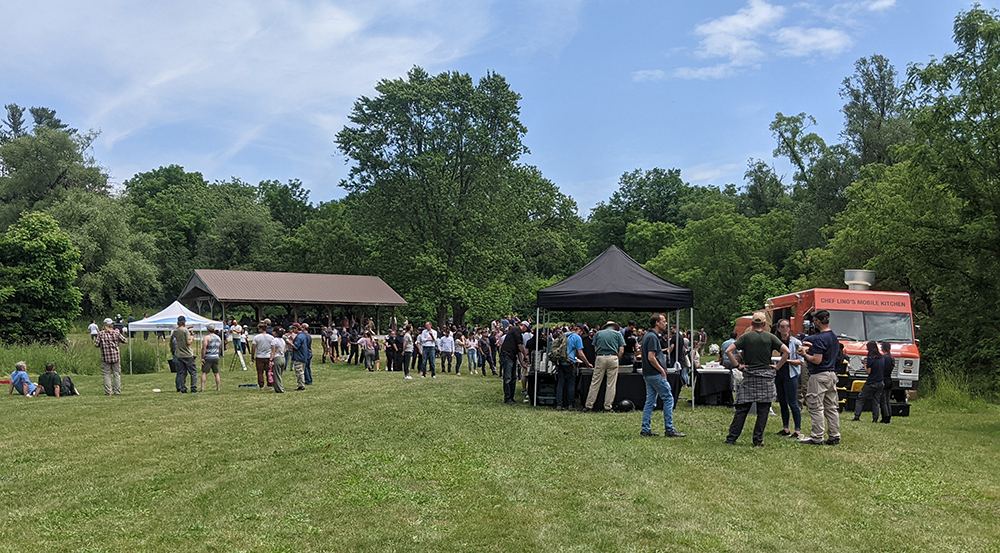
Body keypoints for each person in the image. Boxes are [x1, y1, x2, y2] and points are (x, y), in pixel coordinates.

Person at [724, 312, 789, 447]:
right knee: (763, 411)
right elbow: (787, 352)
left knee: (742, 410)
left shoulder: (746, 337)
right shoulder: (770, 337)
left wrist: (737, 365)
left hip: (750, 376)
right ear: (764, 324)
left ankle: (732, 438)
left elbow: (728, 351)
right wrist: (777, 367)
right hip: (766, 377)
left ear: (752, 323)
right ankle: (758, 440)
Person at [798, 309, 842, 445]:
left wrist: (805, 355)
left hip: (819, 375)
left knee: (815, 406)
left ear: (817, 321)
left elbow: (817, 360)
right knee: (831, 407)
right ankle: (834, 435)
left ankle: (817, 436)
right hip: (831, 374)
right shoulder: (833, 337)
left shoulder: (819, 339)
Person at [640, 314, 686, 438]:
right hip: (655, 374)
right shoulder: (652, 337)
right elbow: (651, 357)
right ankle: (669, 429)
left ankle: (645, 429)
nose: (666, 324)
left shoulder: (648, 336)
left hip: (648, 374)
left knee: (650, 401)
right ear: (657, 323)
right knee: (668, 399)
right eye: (664, 321)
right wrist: (661, 370)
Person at [585, 321, 626, 413]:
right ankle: (607, 407)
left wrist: (598, 356)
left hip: (600, 357)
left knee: (595, 383)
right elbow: (622, 350)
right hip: (613, 357)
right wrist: (617, 358)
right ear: (614, 327)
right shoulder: (618, 334)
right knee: (611, 384)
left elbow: (595, 348)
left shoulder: (598, 333)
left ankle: (589, 405)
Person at [773, 319, 804, 438]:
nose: (785, 328)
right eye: (782, 326)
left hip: (791, 374)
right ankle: (786, 428)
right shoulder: (775, 342)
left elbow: (801, 361)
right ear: (778, 328)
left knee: (793, 402)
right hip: (778, 374)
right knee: (782, 401)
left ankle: (797, 430)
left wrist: (786, 360)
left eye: (787, 326)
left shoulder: (796, 343)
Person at [557, 324, 591, 411]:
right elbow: (580, 353)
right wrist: (587, 363)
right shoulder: (577, 338)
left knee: (560, 383)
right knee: (571, 383)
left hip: (560, 361)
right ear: (580, 330)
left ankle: (559, 404)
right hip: (570, 362)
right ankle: (571, 404)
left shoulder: (564, 335)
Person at [854, 341, 886, 422]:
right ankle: (875, 418)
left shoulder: (871, 359)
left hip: (871, 382)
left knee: (861, 398)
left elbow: (868, 372)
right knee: (876, 401)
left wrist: (865, 364)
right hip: (880, 382)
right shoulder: (882, 358)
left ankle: (857, 416)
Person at [95, 317, 127, 395]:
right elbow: (125, 341)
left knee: (106, 375)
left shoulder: (101, 334)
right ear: (111, 325)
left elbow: (96, 345)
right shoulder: (116, 333)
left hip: (105, 357)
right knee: (116, 374)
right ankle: (117, 391)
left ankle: (108, 392)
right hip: (116, 357)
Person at [500, 321, 528, 404]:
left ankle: (511, 397)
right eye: (526, 329)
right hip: (507, 354)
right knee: (508, 378)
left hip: (512, 356)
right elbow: (520, 346)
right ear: (523, 326)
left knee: (513, 378)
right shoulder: (516, 330)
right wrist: (525, 355)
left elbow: (518, 351)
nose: (526, 331)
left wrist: (522, 363)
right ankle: (507, 398)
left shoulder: (518, 334)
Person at [170, 316, 197, 393]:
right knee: (193, 372)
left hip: (179, 354)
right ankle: (193, 388)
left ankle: (183, 388)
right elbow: (188, 342)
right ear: (184, 321)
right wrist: (192, 337)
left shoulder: (175, 331)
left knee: (182, 372)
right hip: (187, 354)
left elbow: (178, 334)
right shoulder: (185, 331)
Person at [200, 324, 223, 392]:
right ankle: (218, 388)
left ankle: (202, 388)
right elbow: (220, 348)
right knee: (216, 373)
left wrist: (202, 357)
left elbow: (204, 347)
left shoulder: (207, 337)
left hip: (208, 357)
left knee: (204, 372)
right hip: (216, 357)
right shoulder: (218, 338)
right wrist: (218, 355)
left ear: (208, 330)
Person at [251, 323, 273, 391]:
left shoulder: (256, 337)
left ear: (260, 329)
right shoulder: (271, 337)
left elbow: (253, 347)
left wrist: (252, 356)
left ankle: (261, 385)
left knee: (260, 372)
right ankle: (270, 384)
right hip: (268, 356)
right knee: (269, 371)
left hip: (260, 356)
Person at [290, 323, 308, 391]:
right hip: (303, 356)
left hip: (299, 357)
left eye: (293, 328)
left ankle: (301, 386)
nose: (292, 330)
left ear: (296, 328)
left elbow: (296, 346)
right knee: (301, 371)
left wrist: (288, 342)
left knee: (299, 372)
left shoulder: (299, 337)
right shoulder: (303, 335)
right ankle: (301, 384)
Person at [880, 342, 894, 424]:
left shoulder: (884, 358)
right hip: (889, 379)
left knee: (883, 400)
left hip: (884, 379)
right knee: (888, 400)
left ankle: (885, 417)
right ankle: (889, 415)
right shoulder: (891, 357)